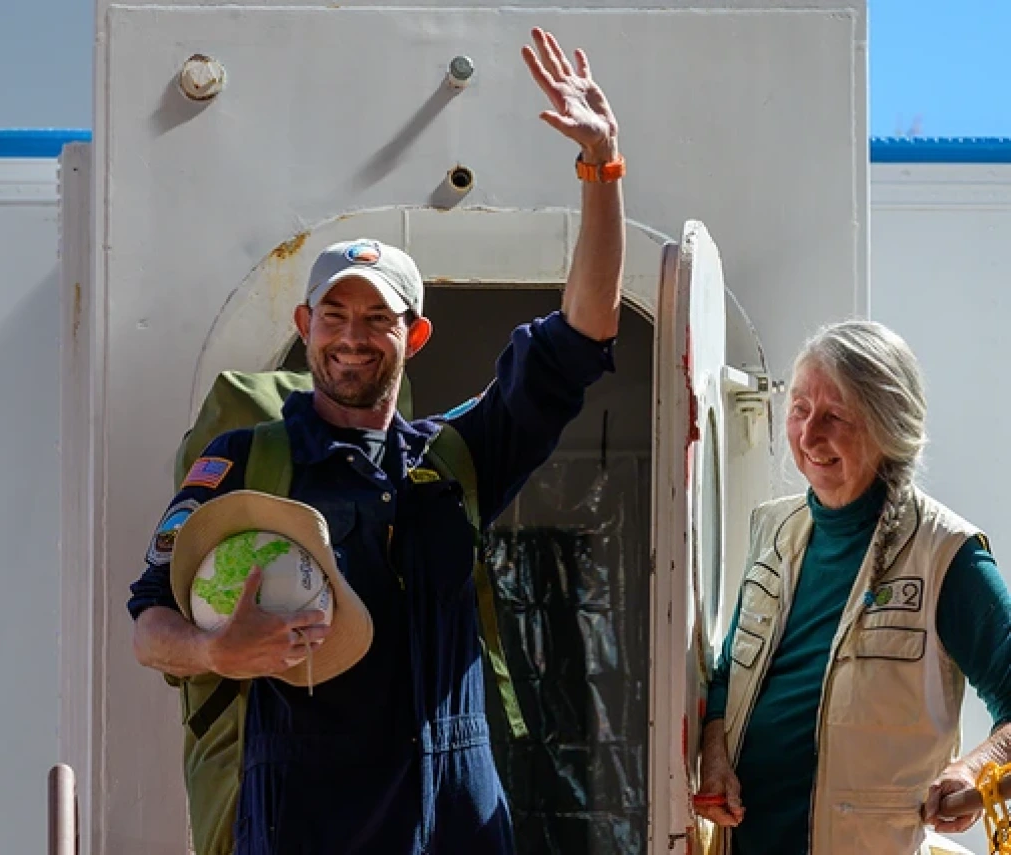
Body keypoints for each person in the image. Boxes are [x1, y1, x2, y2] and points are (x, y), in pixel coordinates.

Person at [126, 27, 625, 855]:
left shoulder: (457, 455)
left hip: (456, 819)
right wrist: (219, 650)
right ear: (304, 324)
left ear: (414, 335)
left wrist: (602, 167)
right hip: (307, 823)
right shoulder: (249, 462)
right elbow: (149, 620)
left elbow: (583, 335)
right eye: (334, 314)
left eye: (376, 317)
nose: (352, 337)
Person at [694, 319, 1011, 854]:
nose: (808, 436)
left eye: (834, 416)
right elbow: (727, 677)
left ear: (889, 427)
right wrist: (715, 755)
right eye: (799, 409)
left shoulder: (945, 554)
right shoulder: (772, 530)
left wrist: (973, 770)